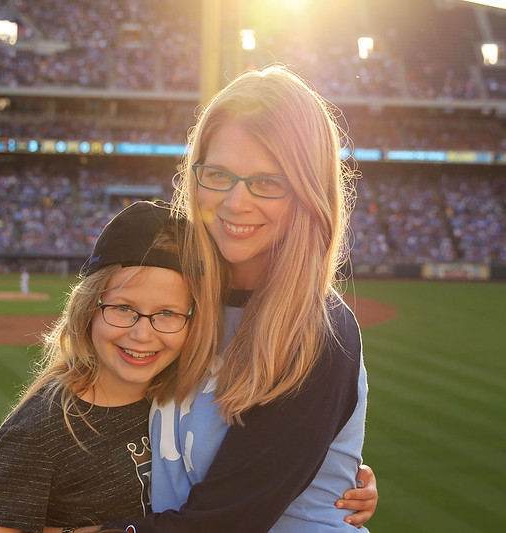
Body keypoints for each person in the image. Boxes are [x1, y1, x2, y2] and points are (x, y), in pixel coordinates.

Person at [96, 65, 372, 532]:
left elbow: (227, 522)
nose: (235, 202)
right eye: (219, 174)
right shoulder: (171, 301)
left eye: (267, 182)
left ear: (308, 192)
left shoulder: (322, 332)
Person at [0, 200, 206, 532]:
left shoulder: (187, 398)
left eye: (167, 313)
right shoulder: (37, 433)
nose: (142, 334)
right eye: (123, 308)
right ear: (88, 309)